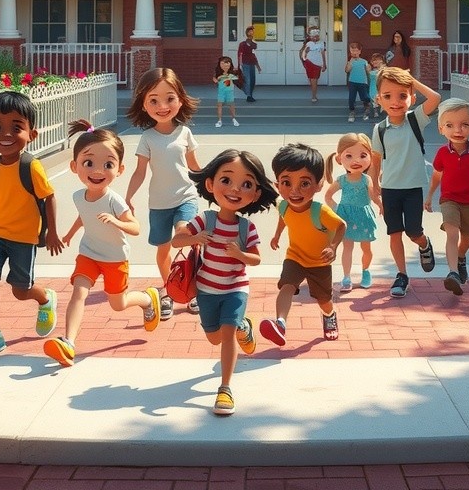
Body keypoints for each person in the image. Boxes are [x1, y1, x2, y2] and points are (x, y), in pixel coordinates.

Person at [43, 119, 161, 367]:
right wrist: (70, 234)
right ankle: (69, 342)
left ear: (119, 170)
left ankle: (148, 299)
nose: (97, 171)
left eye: (107, 164)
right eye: (89, 163)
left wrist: (116, 222)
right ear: (75, 166)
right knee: (78, 292)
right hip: (88, 253)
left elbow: (136, 228)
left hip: (115, 258)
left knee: (118, 304)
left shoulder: (114, 200)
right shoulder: (78, 196)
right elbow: (84, 215)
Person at [172, 148, 277, 416]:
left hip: (235, 288)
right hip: (206, 290)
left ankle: (225, 389)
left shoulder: (246, 228)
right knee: (214, 338)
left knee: (227, 333)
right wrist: (195, 238)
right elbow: (177, 241)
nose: (235, 189)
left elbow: (256, 260)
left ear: (255, 194)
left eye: (247, 184)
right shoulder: (204, 219)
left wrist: (239, 254)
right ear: (210, 184)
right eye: (226, 180)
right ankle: (244, 326)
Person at [0, 90, 63, 363]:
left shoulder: (32, 167)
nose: (5, 134)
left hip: (24, 238)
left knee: (20, 291)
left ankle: (44, 299)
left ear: (32, 134)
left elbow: (49, 197)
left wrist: (52, 232)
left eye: (16, 127)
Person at [125, 67, 201, 322]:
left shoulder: (185, 133)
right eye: (153, 100)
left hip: (186, 197)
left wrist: (213, 184)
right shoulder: (147, 137)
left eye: (169, 98)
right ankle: (170, 290)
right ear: (144, 105)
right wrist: (128, 197)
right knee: (163, 249)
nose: (162, 106)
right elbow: (139, 172)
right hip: (158, 204)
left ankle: (192, 291)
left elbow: (195, 167)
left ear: (180, 98)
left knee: (184, 232)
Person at [259, 143, 346, 346]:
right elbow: (284, 217)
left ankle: (329, 315)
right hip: (295, 257)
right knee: (286, 287)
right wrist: (277, 235)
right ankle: (280, 323)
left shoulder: (321, 212)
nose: (294, 191)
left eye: (304, 184)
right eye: (286, 183)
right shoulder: (283, 205)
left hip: (319, 263)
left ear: (318, 184)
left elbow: (341, 226)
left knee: (324, 301)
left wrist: (333, 247)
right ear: (277, 184)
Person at [370, 66, 441, 297]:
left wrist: (412, 80)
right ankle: (401, 275)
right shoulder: (379, 129)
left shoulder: (416, 119)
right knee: (395, 233)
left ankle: (424, 243)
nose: (395, 101)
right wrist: (374, 186)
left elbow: (435, 98)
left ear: (411, 97)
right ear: (378, 99)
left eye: (402, 95)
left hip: (412, 188)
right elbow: (376, 159)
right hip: (390, 188)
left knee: (413, 231)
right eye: (388, 96)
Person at [424, 98, 469, 296]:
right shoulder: (442, 153)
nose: (457, 130)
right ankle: (453, 273)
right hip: (449, 200)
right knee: (452, 233)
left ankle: (461, 257)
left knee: (465, 239)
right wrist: (429, 196)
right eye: (450, 125)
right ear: (441, 129)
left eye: (464, 125)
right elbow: (436, 177)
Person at [325, 132, 381, 290]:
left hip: (364, 217)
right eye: (349, 156)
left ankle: (366, 271)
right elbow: (328, 196)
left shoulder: (366, 179)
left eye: (363, 155)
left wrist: (381, 205)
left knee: (366, 248)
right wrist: (337, 210)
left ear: (370, 157)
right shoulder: (341, 180)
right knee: (347, 247)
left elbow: (373, 196)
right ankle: (346, 277)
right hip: (346, 218)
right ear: (339, 158)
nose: (356, 161)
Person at [344, 42, 371, 123]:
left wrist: (370, 68)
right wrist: (350, 63)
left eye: (356, 51)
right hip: (352, 82)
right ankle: (352, 111)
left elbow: (368, 71)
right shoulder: (350, 61)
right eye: (352, 51)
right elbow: (346, 70)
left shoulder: (364, 61)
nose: (354, 53)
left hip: (362, 82)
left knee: (365, 97)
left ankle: (366, 109)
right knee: (351, 98)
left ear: (359, 51)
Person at [299, 28, 326, 103]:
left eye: (316, 36)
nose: (315, 38)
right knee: (311, 79)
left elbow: (323, 54)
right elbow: (304, 53)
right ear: (310, 37)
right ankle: (314, 93)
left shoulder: (322, 43)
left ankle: (314, 96)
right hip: (309, 63)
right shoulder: (308, 44)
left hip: (317, 64)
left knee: (314, 80)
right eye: (313, 36)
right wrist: (304, 58)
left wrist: (324, 64)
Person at [213, 56, 240, 128]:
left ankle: (234, 119)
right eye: (222, 63)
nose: (225, 65)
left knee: (231, 105)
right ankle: (219, 120)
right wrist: (218, 78)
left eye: (227, 63)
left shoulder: (232, 72)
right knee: (219, 105)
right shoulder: (218, 72)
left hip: (230, 91)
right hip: (221, 91)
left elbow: (237, 78)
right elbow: (215, 79)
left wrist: (234, 75)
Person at [237, 25, 261, 102]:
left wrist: (258, 66)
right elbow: (240, 54)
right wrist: (240, 64)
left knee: (252, 80)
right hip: (245, 63)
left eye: (252, 31)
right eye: (250, 31)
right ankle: (248, 96)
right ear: (247, 33)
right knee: (247, 79)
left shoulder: (254, 44)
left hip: (252, 63)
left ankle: (250, 93)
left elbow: (253, 55)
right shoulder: (242, 44)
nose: (251, 33)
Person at [369, 52, 385, 119]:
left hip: (382, 87)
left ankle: (383, 111)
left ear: (381, 61)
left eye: (376, 60)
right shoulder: (371, 70)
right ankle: (375, 112)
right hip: (373, 87)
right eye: (373, 60)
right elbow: (372, 75)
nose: (374, 62)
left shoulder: (385, 69)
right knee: (374, 98)